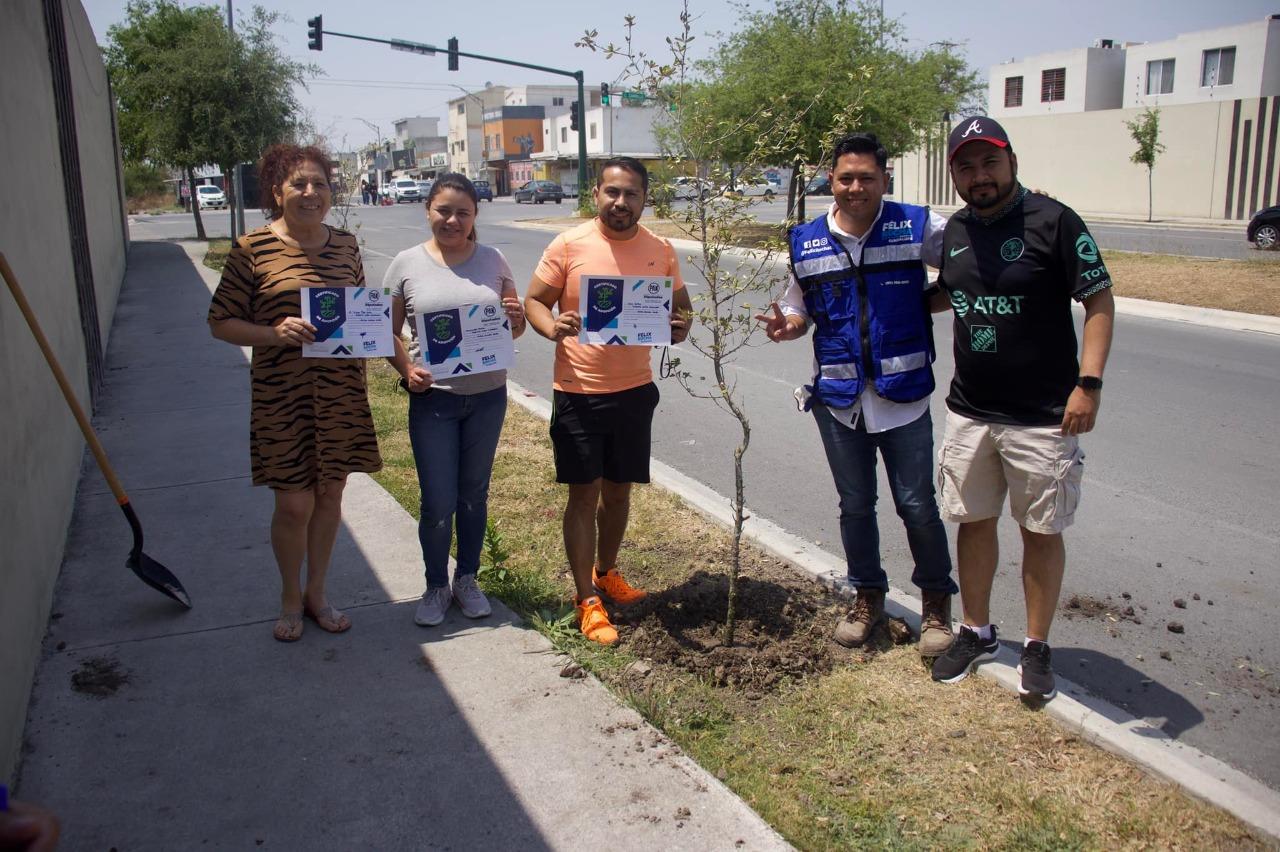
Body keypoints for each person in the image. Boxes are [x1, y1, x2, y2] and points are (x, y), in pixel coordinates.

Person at [928, 117, 1115, 701]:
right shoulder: (955, 229)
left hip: (1043, 416)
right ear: (954, 172)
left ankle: (1036, 646)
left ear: (1011, 161)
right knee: (974, 521)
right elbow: (947, 293)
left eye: (989, 163)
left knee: (1040, 530)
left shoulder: (1054, 221)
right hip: (971, 412)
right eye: (966, 165)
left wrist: (1088, 384)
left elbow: (1099, 299)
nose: (979, 176)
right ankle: (976, 629)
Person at [756, 132, 958, 657]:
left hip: (904, 398)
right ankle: (868, 595)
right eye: (845, 177)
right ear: (832, 180)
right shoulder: (806, 240)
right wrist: (788, 326)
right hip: (840, 401)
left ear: (884, 180)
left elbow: (969, 268)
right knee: (855, 505)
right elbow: (799, 307)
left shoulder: (916, 225)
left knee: (917, 506)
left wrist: (923, 304)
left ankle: (936, 604)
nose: (855, 187)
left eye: (867, 177)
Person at [209, 144, 382, 642]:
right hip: (282, 396)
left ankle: (317, 594)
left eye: (320, 184)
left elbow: (361, 311)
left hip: (341, 392)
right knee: (293, 504)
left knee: (330, 493)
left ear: (331, 192)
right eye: (299, 184)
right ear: (277, 191)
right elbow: (220, 323)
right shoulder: (252, 249)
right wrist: (272, 333)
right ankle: (289, 596)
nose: (310, 193)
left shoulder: (346, 246)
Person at [524, 157, 692, 645]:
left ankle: (606, 572)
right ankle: (586, 599)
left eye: (632, 194)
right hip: (578, 391)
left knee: (620, 490)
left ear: (645, 198)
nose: (621, 202)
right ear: (596, 194)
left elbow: (680, 308)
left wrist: (680, 328)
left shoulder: (660, 250)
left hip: (635, 391)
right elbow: (536, 299)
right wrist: (550, 326)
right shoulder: (569, 244)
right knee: (585, 493)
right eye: (612, 192)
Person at [383, 173, 526, 626]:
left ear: (475, 216)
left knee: (473, 496)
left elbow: (514, 329)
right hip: (435, 402)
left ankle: (467, 578)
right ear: (428, 210)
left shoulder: (494, 259)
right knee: (437, 501)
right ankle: (434, 585)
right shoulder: (405, 264)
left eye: (463, 212)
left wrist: (517, 317)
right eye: (444, 210)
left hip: (487, 398)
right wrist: (407, 371)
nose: (452, 220)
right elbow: (385, 332)